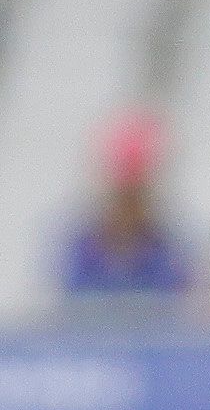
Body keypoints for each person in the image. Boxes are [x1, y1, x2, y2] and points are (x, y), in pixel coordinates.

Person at [60, 113, 194, 308]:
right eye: (122, 199)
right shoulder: (82, 249)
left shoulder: (168, 250)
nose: (127, 211)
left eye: (135, 198)